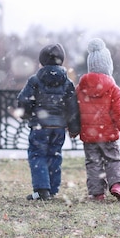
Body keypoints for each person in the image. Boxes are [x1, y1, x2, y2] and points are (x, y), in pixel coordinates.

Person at [17, 43, 81, 201]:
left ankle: (41, 189)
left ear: (42, 62)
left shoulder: (35, 80)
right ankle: (52, 189)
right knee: (55, 156)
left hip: (40, 126)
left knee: (38, 155)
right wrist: (74, 128)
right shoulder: (67, 83)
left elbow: (24, 100)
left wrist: (26, 114)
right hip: (58, 127)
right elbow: (72, 107)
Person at [75, 38, 120, 201]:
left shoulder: (80, 88)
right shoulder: (113, 88)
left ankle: (97, 193)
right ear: (108, 67)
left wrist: (73, 129)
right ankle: (117, 185)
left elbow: (74, 111)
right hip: (108, 135)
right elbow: (119, 112)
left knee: (93, 164)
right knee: (113, 160)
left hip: (89, 136)